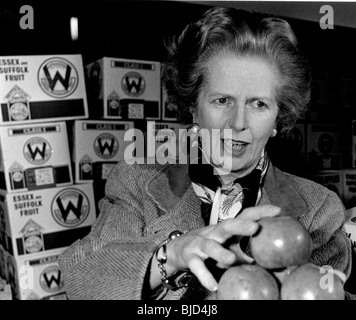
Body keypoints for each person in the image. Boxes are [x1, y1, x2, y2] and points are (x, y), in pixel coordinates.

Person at [58, 6, 354, 300]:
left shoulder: (319, 210)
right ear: (193, 108)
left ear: (278, 119)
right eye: (222, 100)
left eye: (259, 104)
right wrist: (170, 256)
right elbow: (83, 275)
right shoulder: (137, 180)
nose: (238, 123)